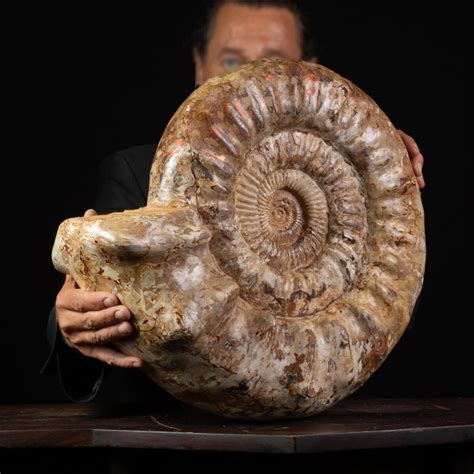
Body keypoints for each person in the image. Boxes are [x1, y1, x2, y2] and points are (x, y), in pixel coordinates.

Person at [40, 0, 425, 403]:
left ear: (309, 71)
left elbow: (386, 313)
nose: (250, 75)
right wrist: (72, 322)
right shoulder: (136, 171)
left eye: (273, 59)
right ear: (199, 67)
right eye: (230, 61)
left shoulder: (349, 171)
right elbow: (92, 303)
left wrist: (383, 175)